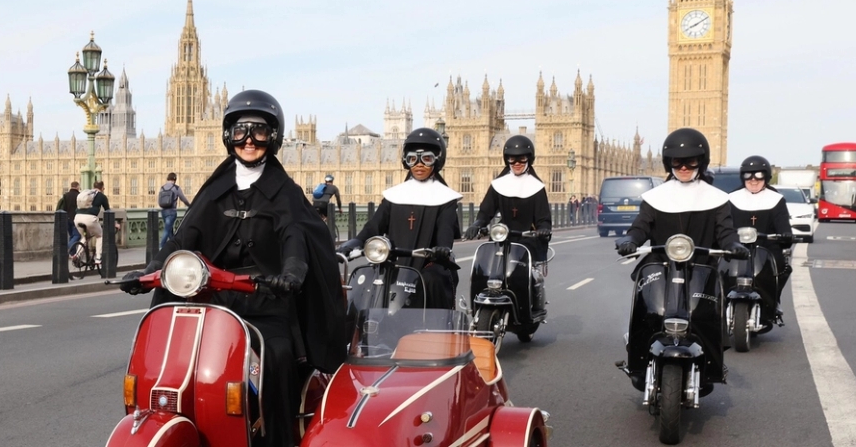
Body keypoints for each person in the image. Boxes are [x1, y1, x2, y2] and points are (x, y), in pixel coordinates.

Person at [119, 89, 345, 447]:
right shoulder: (215, 189)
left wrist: (291, 274)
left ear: (273, 138)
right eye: (241, 131)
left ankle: (277, 440)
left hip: (266, 300)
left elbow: (295, 236)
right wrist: (149, 271)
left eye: (259, 132)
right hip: (215, 301)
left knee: (276, 356)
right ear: (229, 136)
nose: (249, 140)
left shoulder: (285, 192)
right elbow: (182, 239)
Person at [612, 127, 749, 393]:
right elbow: (641, 225)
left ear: (701, 162)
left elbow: (725, 231)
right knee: (648, 312)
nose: (684, 167)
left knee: (705, 317)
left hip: (700, 270)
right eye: (678, 162)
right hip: (661, 268)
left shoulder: (716, 199)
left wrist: (733, 245)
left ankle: (711, 365)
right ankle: (637, 360)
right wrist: (630, 240)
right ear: (669, 163)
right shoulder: (655, 197)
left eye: (691, 161)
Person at [338, 127, 462, 309]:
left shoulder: (445, 197)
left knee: (433, 279)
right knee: (370, 281)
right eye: (413, 159)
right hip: (395, 263)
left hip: (429, 263)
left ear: (437, 160)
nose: (419, 165)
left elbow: (446, 229)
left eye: (426, 159)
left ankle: (434, 325)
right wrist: (354, 242)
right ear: (406, 161)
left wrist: (443, 249)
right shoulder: (394, 195)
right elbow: (374, 226)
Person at [462, 134, 552, 315]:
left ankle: (527, 307)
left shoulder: (536, 187)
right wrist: (477, 224)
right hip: (503, 237)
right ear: (507, 160)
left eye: (521, 159)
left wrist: (543, 229)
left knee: (521, 275)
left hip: (527, 237)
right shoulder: (499, 184)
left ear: (529, 159)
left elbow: (543, 218)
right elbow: (486, 212)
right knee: (486, 269)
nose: (517, 163)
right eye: (512, 159)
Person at [727, 155, 793, 320]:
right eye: (748, 176)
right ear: (742, 177)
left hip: (766, 248)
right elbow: (724, 224)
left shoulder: (776, 199)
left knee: (782, 266)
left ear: (766, 177)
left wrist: (785, 234)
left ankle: (774, 299)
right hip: (738, 248)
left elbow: (783, 224)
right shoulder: (732, 198)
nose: (753, 180)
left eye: (758, 175)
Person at [74, 180, 111, 265]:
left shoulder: (87, 194)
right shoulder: (101, 196)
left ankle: (77, 255)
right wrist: (115, 223)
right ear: (102, 188)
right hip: (90, 219)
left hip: (77, 218)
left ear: (93, 186)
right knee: (100, 236)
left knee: (84, 237)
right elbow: (108, 211)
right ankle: (98, 258)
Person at [157, 172, 191, 248]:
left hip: (163, 211)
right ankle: (161, 247)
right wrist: (189, 205)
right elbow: (183, 199)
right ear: (175, 179)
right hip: (171, 212)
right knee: (167, 230)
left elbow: (159, 199)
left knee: (169, 230)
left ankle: (174, 247)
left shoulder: (162, 188)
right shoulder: (176, 188)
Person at [55, 181, 81, 255]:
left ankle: (72, 254)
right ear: (77, 187)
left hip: (67, 218)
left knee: (72, 236)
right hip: (76, 218)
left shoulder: (65, 195)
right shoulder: (79, 196)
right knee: (77, 235)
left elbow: (63, 207)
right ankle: (67, 248)